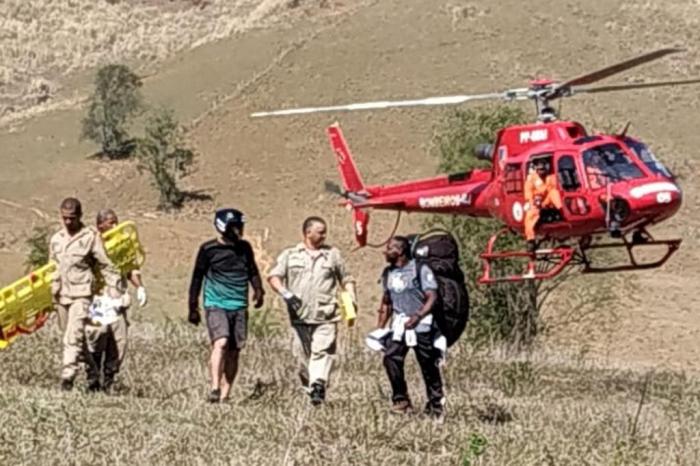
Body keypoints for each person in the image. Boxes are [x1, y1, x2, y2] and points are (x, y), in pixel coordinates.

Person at [267, 216, 356, 406]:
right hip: (299, 317)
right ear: (308, 233)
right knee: (301, 359)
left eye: (325, 231)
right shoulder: (290, 255)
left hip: (326, 315)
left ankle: (318, 385)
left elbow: (346, 279)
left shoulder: (333, 255)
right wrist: (285, 293)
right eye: (320, 231)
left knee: (321, 352)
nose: (324, 235)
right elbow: (274, 277)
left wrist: (351, 299)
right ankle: (312, 393)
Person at [188, 208, 265, 403]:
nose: (238, 230)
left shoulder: (244, 248)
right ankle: (214, 387)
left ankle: (225, 393)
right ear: (222, 227)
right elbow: (197, 278)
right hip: (216, 304)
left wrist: (258, 290)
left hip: (239, 305)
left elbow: (252, 270)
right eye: (234, 227)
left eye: (240, 226)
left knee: (234, 350)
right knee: (221, 342)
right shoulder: (208, 250)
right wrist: (193, 307)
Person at [49, 197, 121, 392]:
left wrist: (114, 288)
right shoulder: (56, 239)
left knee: (73, 336)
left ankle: (67, 378)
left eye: (72, 218)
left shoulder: (90, 237)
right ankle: (93, 375)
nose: (68, 222)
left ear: (80, 216)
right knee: (75, 340)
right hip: (61, 295)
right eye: (64, 218)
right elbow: (52, 266)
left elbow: (106, 265)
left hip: (81, 294)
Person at [377, 236, 445, 420]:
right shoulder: (388, 273)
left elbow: (432, 296)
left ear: (400, 251)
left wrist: (418, 316)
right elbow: (386, 302)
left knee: (428, 364)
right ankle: (401, 400)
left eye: (389, 247)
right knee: (391, 358)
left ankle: (436, 404)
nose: (385, 251)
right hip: (400, 326)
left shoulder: (419, 269)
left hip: (421, 326)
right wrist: (380, 329)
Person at [84, 209, 148, 392]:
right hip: (98, 301)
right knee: (97, 338)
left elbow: (131, 269)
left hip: (118, 301)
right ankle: (93, 378)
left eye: (116, 221)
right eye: (110, 222)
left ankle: (109, 380)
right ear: (101, 225)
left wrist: (140, 287)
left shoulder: (122, 246)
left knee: (119, 343)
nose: (114, 226)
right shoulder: (91, 245)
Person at [523, 159, 562, 278]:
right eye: (539, 169)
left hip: (546, 201)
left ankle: (561, 212)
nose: (541, 171)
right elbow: (528, 193)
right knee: (530, 215)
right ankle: (531, 240)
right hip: (535, 201)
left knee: (554, 193)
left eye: (543, 169)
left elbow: (553, 188)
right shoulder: (531, 179)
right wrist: (533, 200)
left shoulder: (551, 178)